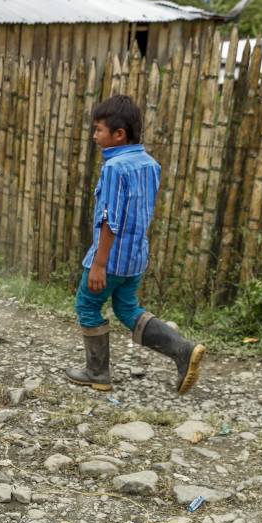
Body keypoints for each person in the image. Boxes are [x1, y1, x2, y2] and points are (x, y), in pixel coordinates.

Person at [65, 95, 205, 395]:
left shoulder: (115, 168)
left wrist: (99, 263)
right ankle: (182, 350)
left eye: (99, 129)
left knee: (87, 306)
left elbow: (109, 220)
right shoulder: (149, 164)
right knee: (128, 308)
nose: (94, 135)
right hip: (136, 257)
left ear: (119, 134)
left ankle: (97, 372)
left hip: (110, 258)